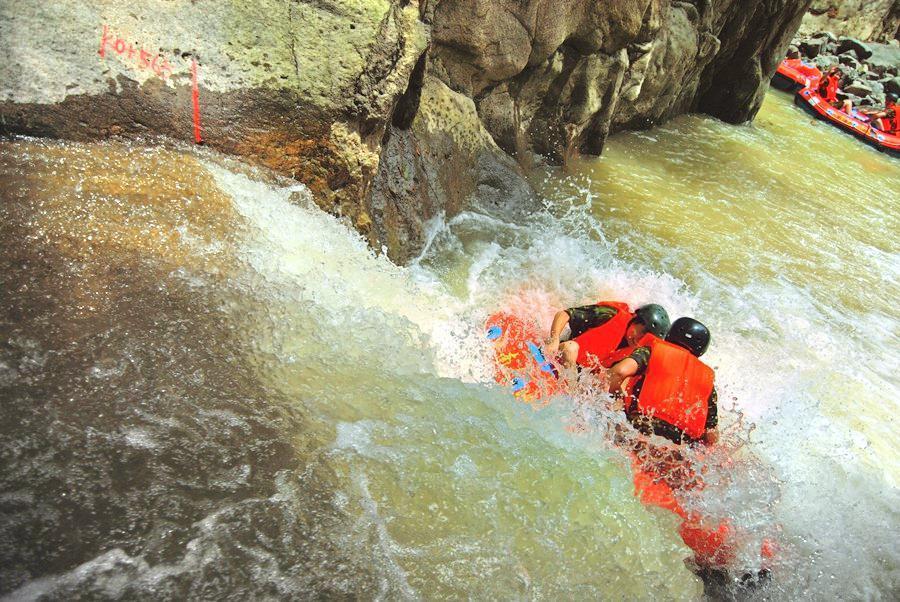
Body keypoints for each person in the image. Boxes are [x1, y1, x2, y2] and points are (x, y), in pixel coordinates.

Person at [606, 317, 718, 446]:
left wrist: (616, 399)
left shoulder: (651, 351)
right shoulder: (707, 379)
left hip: (641, 428)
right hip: (679, 446)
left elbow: (619, 372)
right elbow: (711, 434)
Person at [545, 302, 671, 370]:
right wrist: (554, 339)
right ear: (636, 320)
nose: (639, 341)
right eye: (641, 333)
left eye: (644, 339)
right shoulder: (609, 314)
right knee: (570, 348)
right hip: (565, 353)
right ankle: (570, 394)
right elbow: (564, 314)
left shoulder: (639, 353)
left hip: (584, 377)